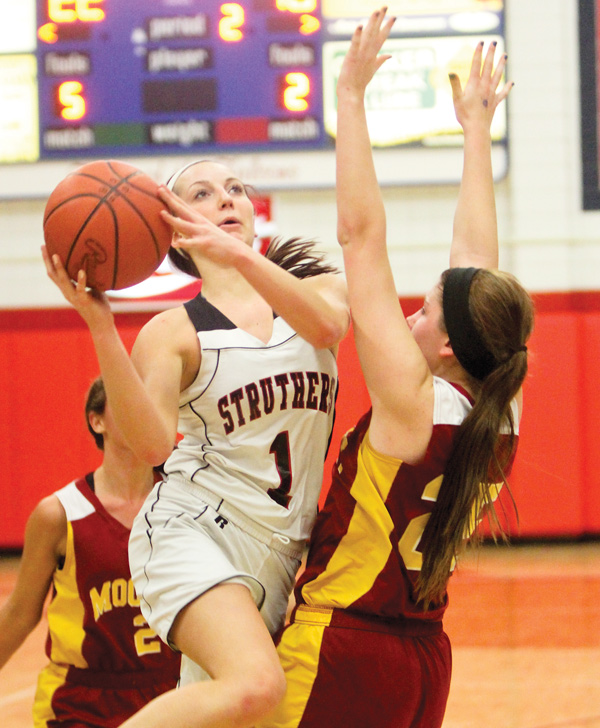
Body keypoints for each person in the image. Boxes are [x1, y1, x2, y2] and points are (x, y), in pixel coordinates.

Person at [257, 9, 534, 728]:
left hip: (345, 646)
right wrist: (476, 132)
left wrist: (348, 101)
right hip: (425, 661)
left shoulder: (412, 404)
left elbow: (359, 237)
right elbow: (476, 270)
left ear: (448, 348)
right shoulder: (501, 401)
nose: (409, 315)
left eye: (424, 312)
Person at [42, 159, 350, 727]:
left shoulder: (316, 289)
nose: (226, 199)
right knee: (258, 685)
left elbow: (328, 330)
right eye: (203, 193)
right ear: (175, 228)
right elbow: (155, 446)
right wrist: (101, 326)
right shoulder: (172, 332)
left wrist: (240, 258)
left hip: (282, 549)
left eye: (235, 189)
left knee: (241, 712)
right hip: (194, 529)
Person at [0, 377, 181, 728]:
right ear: (96, 421)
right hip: (82, 702)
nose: (140, 411)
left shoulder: (187, 503)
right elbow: (20, 614)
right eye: (125, 400)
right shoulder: (58, 514)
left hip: (175, 693)